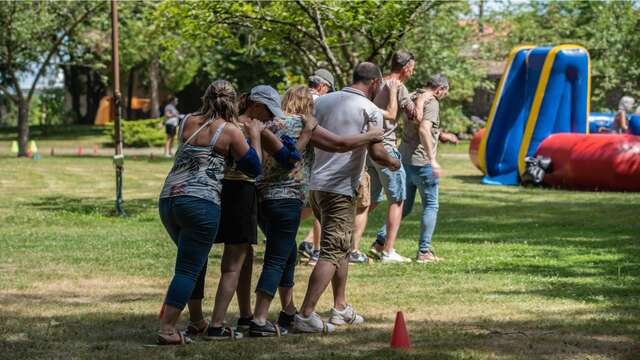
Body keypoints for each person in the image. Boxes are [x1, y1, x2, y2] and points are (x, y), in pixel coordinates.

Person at [250, 85, 384, 336]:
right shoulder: (302, 126)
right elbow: (341, 143)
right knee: (278, 259)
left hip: (261, 200)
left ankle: (287, 311)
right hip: (286, 199)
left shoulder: (264, 126)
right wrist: (371, 135)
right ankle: (259, 319)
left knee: (287, 254)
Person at [293, 62, 401, 333]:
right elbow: (377, 154)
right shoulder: (370, 110)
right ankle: (305, 313)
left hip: (315, 186)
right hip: (340, 188)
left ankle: (340, 308)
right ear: (375, 83)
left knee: (339, 246)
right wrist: (394, 163)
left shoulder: (322, 101)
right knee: (331, 251)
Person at [156, 80, 263, 345]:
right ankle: (168, 328)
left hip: (169, 199)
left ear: (206, 97)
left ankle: (196, 321)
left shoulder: (188, 121)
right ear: (234, 101)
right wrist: (257, 136)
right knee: (188, 268)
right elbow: (254, 168)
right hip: (200, 203)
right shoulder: (230, 132)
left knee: (192, 261)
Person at [206, 85, 304, 340]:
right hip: (242, 195)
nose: (271, 117)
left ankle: (245, 315)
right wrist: (307, 132)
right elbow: (287, 158)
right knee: (233, 263)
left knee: (243, 257)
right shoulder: (253, 127)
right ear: (255, 105)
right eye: (268, 111)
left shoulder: (221, 123)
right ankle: (219, 324)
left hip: (219, 193)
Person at [376, 74, 457, 263]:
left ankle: (380, 242)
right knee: (431, 205)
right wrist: (433, 159)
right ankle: (424, 251)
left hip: (404, 159)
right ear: (440, 89)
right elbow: (424, 129)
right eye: (445, 92)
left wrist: (441, 135)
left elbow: (419, 123)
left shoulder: (412, 96)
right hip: (422, 163)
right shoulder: (433, 101)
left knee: (403, 206)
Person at [357, 51, 420, 264]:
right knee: (398, 199)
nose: (413, 70)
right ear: (406, 67)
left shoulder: (376, 83)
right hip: (387, 148)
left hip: (369, 148)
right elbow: (414, 116)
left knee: (368, 202)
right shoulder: (398, 87)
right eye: (413, 66)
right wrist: (419, 101)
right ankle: (388, 251)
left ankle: (352, 248)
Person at [298, 68, 335, 265]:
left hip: (292, 155)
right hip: (314, 157)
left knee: (303, 204)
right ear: (322, 86)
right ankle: (317, 252)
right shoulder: (321, 101)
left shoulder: (294, 97)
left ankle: (278, 235)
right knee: (320, 204)